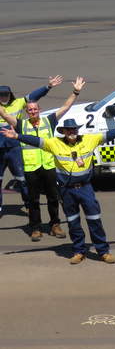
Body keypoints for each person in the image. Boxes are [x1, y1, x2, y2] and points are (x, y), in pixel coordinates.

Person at [2, 116, 115, 264]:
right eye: (68, 130)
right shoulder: (54, 143)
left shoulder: (90, 140)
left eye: (74, 129)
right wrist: (17, 136)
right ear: (63, 131)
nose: (72, 132)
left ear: (77, 129)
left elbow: (108, 135)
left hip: (85, 188)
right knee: (73, 222)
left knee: (94, 220)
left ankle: (103, 251)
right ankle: (78, 251)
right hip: (66, 191)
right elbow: (36, 141)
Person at [0, 77, 85, 241]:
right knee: (33, 200)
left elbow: (66, 107)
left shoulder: (49, 120)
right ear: (27, 112)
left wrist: (76, 91)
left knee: (53, 197)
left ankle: (55, 225)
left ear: (39, 110)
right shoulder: (21, 125)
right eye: (30, 110)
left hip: (48, 165)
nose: (32, 112)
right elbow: (3, 113)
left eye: (35, 109)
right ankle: (35, 228)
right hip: (31, 167)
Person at [0, 76, 62, 217]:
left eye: (6, 94)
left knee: (22, 179)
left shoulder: (18, 103)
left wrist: (48, 86)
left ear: (10, 95)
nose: (3, 97)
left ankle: (29, 205)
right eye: (1, 95)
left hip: (15, 147)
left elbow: (34, 96)